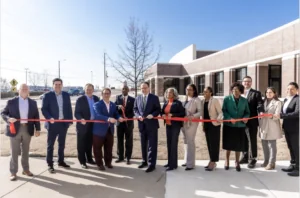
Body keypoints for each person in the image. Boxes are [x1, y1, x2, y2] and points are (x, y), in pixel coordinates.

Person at [1, 83, 41, 181]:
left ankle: (26, 170)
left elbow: (36, 116)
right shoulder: (11, 101)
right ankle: (13, 172)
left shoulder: (33, 103)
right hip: (14, 129)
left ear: (28, 91)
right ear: (18, 90)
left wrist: (38, 129)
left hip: (28, 128)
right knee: (14, 151)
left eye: (26, 89)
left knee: (26, 151)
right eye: (22, 89)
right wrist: (8, 118)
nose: (24, 90)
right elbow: (3, 113)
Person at [41, 78, 73, 173]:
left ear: (62, 85)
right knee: (50, 145)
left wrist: (70, 120)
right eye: (56, 84)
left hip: (63, 123)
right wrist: (49, 117)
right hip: (52, 124)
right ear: (53, 85)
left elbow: (69, 108)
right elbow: (44, 109)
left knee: (62, 144)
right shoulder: (47, 96)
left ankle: (61, 161)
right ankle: (50, 164)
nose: (58, 86)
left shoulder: (66, 95)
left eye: (59, 84)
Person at [93, 88, 123, 171]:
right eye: (104, 93)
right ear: (102, 95)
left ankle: (108, 162)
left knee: (109, 148)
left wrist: (119, 117)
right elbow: (97, 115)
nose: (106, 95)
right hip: (99, 131)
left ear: (110, 94)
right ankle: (99, 164)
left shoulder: (113, 105)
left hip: (110, 130)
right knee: (97, 148)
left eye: (108, 93)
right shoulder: (97, 104)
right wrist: (109, 119)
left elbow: (115, 114)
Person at [133, 82, 161, 173]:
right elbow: (135, 109)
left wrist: (152, 115)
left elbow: (158, 109)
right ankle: (144, 161)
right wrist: (138, 116)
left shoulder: (154, 98)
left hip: (152, 125)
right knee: (143, 144)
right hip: (141, 125)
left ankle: (151, 164)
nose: (143, 89)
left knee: (152, 145)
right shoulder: (138, 98)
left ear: (149, 88)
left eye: (145, 88)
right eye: (142, 88)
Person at [222, 83, 250, 172]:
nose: (235, 92)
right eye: (234, 90)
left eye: (237, 90)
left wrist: (246, 117)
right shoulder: (227, 99)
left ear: (240, 91)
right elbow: (224, 111)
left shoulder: (244, 100)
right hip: (229, 125)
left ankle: (237, 161)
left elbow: (247, 112)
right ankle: (227, 160)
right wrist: (229, 118)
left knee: (239, 145)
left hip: (240, 125)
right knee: (228, 144)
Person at [240, 76, 264, 168]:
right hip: (241, 121)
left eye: (248, 81)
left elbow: (259, 103)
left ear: (251, 82)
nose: (247, 83)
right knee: (243, 139)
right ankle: (245, 156)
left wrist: (261, 111)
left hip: (252, 121)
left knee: (252, 140)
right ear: (242, 83)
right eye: (245, 81)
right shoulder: (240, 93)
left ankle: (253, 158)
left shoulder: (256, 93)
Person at [74, 83, 99, 169]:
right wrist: (81, 119)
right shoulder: (80, 99)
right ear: (85, 90)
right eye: (87, 89)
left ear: (93, 90)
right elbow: (76, 113)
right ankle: (82, 161)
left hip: (93, 124)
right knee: (81, 144)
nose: (89, 91)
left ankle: (89, 159)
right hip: (83, 125)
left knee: (89, 143)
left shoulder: (96, 98)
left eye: (90, 89)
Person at [161, 87, 185, 171]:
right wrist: (163, 115)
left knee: (173, 144)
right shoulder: (166, 102)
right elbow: (162, 112)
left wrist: (173, 115)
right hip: (168, 125)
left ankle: (173, 165)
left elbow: (182, 113)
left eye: (170, 92)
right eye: (167, 92)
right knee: (169, 144)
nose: (168, 94)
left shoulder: (178, 103)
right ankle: (169, 162)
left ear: (174, 94)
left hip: (175, 126)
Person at [258, 87, 282, 170]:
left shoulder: (277, 102)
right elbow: (259, 111)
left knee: (272, 145)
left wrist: (268, 115)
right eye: (267, 92)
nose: (268, 94)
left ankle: (272, 163)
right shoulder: (263, 102)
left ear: (274, 93)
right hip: (263, 125)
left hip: (272, 126)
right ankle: (266, 161)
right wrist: (260, 114)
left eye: (271, 92)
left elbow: (277, 115)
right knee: (264, 144)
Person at [201, 87, 223, 171]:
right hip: (206, 125)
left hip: (214, 125)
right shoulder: (203, 101)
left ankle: (213, 162)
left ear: (211, 93)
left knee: (214, 144)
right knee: (209, 144)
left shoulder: (214, 100)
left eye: (206, 92)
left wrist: (218, 118)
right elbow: (203, 115)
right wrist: (203, 125)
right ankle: (211, 160)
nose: (205, 93)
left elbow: (220, 112)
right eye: (204, 92)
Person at [280, 82, 299, 177]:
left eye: (292, 89)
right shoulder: (287, 100)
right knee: (290, 147)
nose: (289, 91)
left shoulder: (298, 99)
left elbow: (297, 113)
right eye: (288, 89)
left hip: (295, 128)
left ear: (297, 90)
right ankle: (293, 164)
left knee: (296, 148)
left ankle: (298, 168)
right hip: (287, 127)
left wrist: (282, 115)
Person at [181, 84, 201, 171]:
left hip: (192, 123)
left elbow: (200, 112)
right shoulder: (184, 99)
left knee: (190, 141)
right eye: (187, 89)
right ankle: (186, 160)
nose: (188, 91)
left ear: (194, 90)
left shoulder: (197, 100)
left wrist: (192, 116)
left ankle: (190, 164)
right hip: (183, 122)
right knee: (185, 141)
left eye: (190, 89)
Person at [115, 85, 135, 165]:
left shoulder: (133, 99)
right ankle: (120, 157)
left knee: (129, 140)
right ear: (121, 90)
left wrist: (128, 117)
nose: (124, 90)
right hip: (120, 122)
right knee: (119, 140)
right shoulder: (117, 98)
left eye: (126, 89)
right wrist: (118, 106)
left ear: (128, 90)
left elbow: (135, 110)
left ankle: (128, 157)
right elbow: (114, 108)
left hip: (128, 123)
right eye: (123, 88)